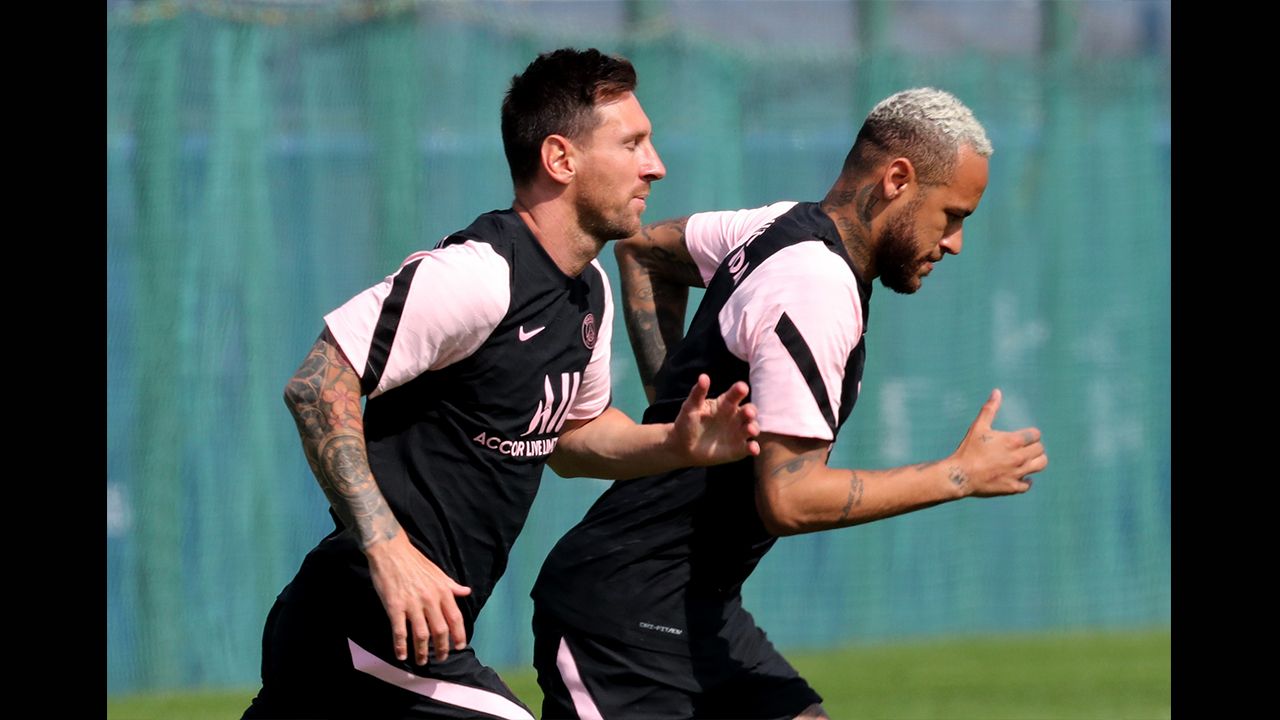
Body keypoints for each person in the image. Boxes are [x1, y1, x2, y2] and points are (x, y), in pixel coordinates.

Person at [242, 48, 763, 720]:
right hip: (360, 620)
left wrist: (677, 443)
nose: (654, 165)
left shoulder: (589, 295)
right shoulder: (479, 275)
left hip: (397, 635)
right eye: (632, 143)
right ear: (560, 159)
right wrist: (389, 549)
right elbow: (317, 384)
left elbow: (574, 438)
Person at [530, 87, 1050, 719]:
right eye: (952, 214)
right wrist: (959, 475)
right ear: (897, 179)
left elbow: (643, 254)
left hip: (697, 608)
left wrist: (679, 419)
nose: (956, 242)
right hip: (621, 623)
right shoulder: (815, 285)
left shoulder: (776, 227)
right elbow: (790, 499)